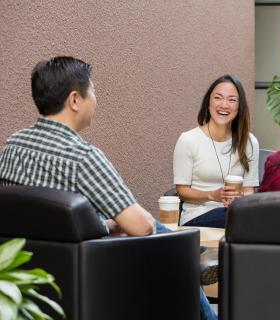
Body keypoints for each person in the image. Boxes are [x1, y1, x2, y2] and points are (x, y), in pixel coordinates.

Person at [0, 56, 217, 320]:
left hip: (26, 276)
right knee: (158, 230)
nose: (96, 99)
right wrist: (117, 225)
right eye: (92, 91)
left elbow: (47, 219)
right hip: (97, 276)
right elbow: (141, 227)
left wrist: (102, 225)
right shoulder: (83, 157)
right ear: (75, 100)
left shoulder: (13, 145)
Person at [173, 74, 259, 228]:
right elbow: (182, 190)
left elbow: (248, 190)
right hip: (198, 214)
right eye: (218, 98)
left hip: (236, 213)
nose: (224, 105)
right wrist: (212, 195)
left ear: (239, 107)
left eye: (232, 100)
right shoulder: (188, 140)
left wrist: (240, 199)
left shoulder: (249, 142)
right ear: (208, 103)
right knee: (245, 222)